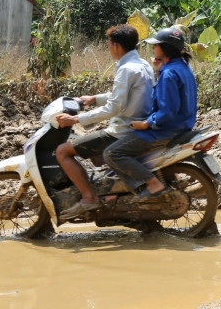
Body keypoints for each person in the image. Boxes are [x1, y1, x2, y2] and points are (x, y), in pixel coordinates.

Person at [56, 24, 154, 219]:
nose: (109, 49)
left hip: (122, 130)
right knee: (95, 154)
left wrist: (76, 118)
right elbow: (124, 95)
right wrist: (94, 98)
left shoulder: (126, 69)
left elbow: (114, 108)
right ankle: (111, 193)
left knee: (63, 151)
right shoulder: (143, 65)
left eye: (109, 45)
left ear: (116, 46)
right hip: (137, 125)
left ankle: (89, 197)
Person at [104, 27, 198, 199]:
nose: (153, 49)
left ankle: (151, 185)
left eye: (156, 46)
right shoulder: (183, 68)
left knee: (112, 153)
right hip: (183, 126)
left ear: (164, 48)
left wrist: (147, 123)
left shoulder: (169, 73)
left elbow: (167, 111)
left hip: (165, 130)